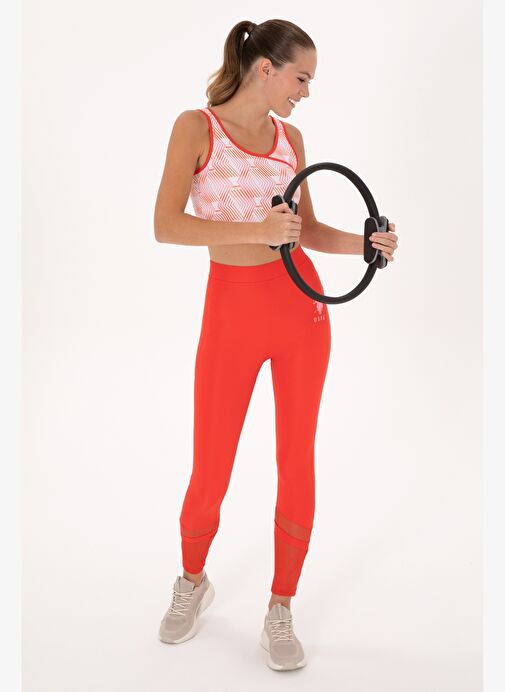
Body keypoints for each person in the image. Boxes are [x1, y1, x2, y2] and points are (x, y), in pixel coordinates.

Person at [154, 18, 327, 671]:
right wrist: (258, 230)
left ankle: (281, 606)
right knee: (211, 465)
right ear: (266, 68)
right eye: (300, 78)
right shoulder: (195, 127)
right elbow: (166, 225)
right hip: (231, 313)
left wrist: (367, 244)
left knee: (296, 461)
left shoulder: (292, 139)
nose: (305, 92)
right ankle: (192, 579)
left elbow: (306, 231)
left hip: (301, 309)